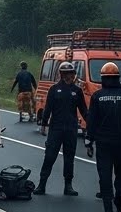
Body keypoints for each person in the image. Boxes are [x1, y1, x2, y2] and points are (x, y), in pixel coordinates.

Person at [84, 63, 121, 212]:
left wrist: (89, 141)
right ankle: (119, 199)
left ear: (103, 78)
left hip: (104, 143)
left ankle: (108, 211)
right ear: (118, 78)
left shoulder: (97, 96)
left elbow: (92, 120)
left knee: (105, 176)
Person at [34, 61, 89, 196]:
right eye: (65, 74)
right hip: (56, 128)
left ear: (74, 75)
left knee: (69, 158)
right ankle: (42, 184)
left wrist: (92, 124)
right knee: (50, 156)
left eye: (70, 74)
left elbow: (83, 110)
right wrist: (43, 124)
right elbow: (48, 108)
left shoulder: (77, 91)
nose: (68, 76)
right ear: (61, 75)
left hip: (71, 129)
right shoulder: (54, 89)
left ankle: (68, 186)